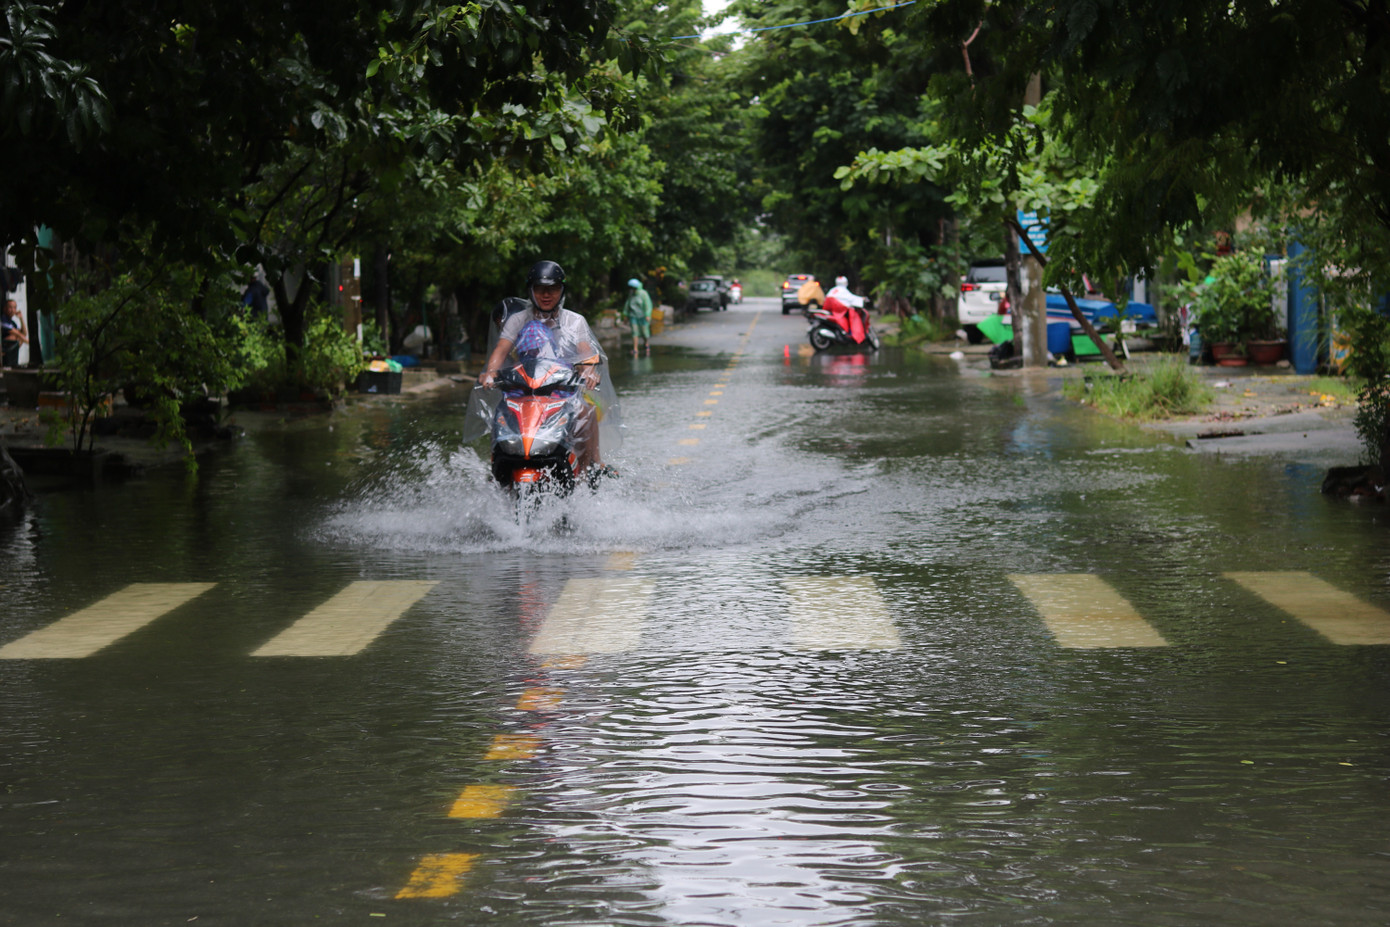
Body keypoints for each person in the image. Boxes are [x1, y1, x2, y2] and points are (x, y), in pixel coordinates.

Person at [478, 260, 609, 471]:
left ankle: (586, 472)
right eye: (540, 289)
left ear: (562, 291)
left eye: (553, 289)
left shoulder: (575, 322)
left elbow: (585, 355)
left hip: (562, 391)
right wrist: (490, 373)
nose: (546, 295)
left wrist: (588, 372)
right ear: (530, 291)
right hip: (522, 391)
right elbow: (501, 350)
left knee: (586, 412)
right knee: (500, 416)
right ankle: (496, 469)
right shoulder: (518, 320)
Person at [624, 277, 653, 357]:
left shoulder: (643, 294)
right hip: (633, 316)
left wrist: (647, 314)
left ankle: (646, 343)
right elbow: (627, 305)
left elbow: (648, 304)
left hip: (642, 316)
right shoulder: (631, 295)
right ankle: (635, 348)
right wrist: (626, 315)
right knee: (634, 332)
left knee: (644, 332)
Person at [2, 299, 27, 368]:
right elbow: (16, 334)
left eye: (14, 308)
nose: (12, 310)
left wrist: (21, 319)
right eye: (10, 307)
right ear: (5, 308)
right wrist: (28, 342)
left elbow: (24, 334)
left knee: (18, 338)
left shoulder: (12, 323)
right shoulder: (3, 319)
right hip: (3, 347)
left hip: (8, 349)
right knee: (13, 337)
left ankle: (10, 358)